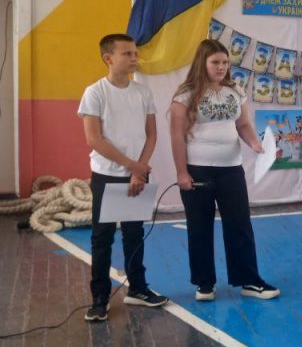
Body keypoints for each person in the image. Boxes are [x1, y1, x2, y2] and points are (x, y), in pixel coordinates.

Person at [170, 39, 280, 301]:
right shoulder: (185, 94)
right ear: (202, 63)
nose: (221, 67)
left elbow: (243, 125)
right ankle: (204, 284)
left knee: (240, 225)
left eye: (225, 62)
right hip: (197, 171)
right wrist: (182, 172)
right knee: (199, 227)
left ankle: (249, 281)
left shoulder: (235, 90)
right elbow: (176, 135)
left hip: (231, 170)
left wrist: (256, 145)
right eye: (215, 62)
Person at [78, 34, 169, 322]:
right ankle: (100, 298)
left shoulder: (142, 92)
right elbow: (94, 139)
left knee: (134, 233)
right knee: (102, 237)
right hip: (107, 176)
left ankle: (138, 288)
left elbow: (152, 134)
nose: (134, 58)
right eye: (127, 54)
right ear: (109, 58)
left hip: (137, 174)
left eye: (134, 53)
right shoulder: (95, 92)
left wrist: (139, 169)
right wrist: (133, 167)